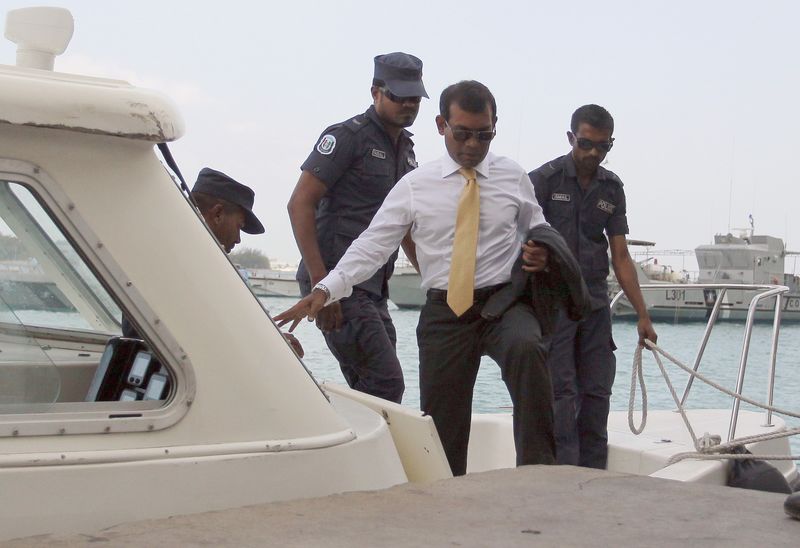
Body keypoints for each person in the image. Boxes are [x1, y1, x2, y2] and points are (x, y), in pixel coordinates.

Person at [277, 80, 559, 476]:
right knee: (442, 425)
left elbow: (538, 227)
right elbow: (372, 246)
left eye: (484, 135)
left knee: (529, 349)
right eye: (462, 133)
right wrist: (325, 289)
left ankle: (539, 475)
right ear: (441, 124)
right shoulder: (414, 186)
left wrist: (540, 248)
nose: (473, 145)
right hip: (447, 311)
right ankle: (446, 497)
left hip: (503, 304)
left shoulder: (513, 176)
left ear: (495, 128)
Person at [287, 52, 428, 403]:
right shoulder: (347, 137)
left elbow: (406, 226)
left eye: (414, 98)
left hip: (374, 285)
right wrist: (324, 287)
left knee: (376, 388)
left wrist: (433, 279)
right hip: (335, 278)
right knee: (385, 383)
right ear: (375, 92)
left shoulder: (407, 152)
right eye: (398, 96)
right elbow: (299, 203)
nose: (408, 105)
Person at [528, 104, 657, 469]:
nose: (593, 153)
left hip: (596, 306)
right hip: (553, 304)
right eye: (585, 144)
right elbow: (514, 238)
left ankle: (595, 475)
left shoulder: (612, 188)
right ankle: (564, 476)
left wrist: (643, 316)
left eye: (603, 146)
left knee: (597, 391)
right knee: (562, 393)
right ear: (571, 138)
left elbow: (621, 255)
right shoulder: (544, 180)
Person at [124, 168, 304, 357]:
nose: (238, 239)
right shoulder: (186, 263)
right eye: (239, 227)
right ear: (217, 214)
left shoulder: (171, 252)